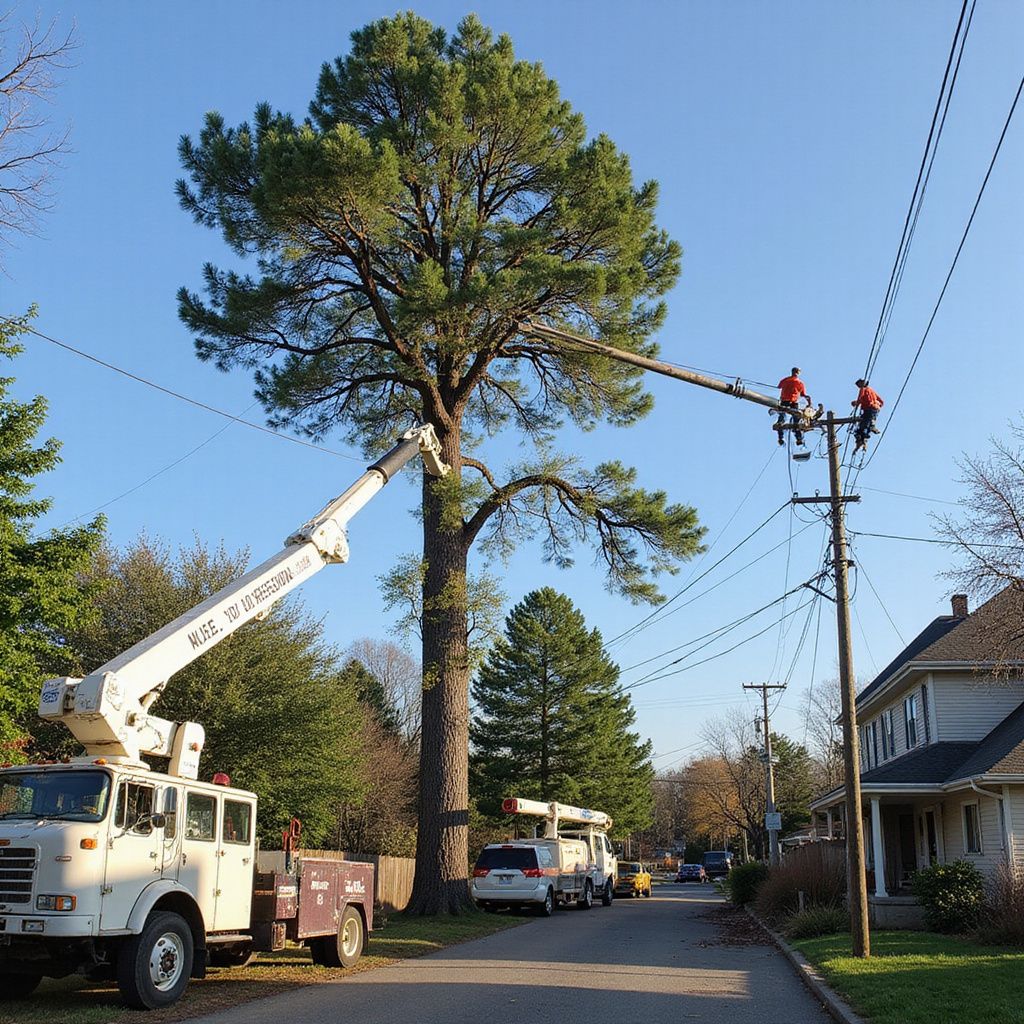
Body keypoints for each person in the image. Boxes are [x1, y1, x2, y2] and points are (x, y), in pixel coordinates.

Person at [776, 367, 812, 446]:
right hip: (788, 401)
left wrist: (809, 401)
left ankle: (793, 438)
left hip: (789, 401)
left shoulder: (787, 380)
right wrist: (809, 402)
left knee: (787, 419)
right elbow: (803, 395)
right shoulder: (798, 382)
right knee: (787, 419)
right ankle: (792, 438)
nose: (796, 373)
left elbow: (778, 388)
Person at [851, 378, 884, 451]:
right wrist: (877, 405)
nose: (858, 387)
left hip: (868, 409)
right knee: (866, 425)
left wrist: (855, 403)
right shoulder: (871, 390)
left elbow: (861, 399)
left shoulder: (863, 389)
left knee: (862, 427)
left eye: (858, 385)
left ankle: (862, 440)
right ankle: (865, 437)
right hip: (875, 409)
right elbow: (881, 401)